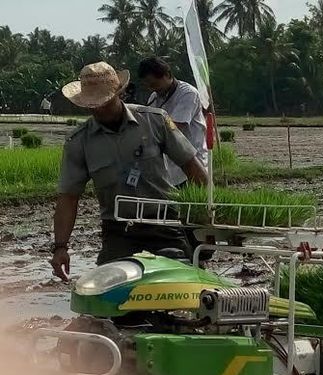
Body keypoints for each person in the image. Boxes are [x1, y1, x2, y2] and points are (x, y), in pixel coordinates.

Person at [50, 62, 208, 280]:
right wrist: (60, 247)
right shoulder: (79, 142)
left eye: (103, 102)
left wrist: (207, 217)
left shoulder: (155, 121)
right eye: (91, 105)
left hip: (163, 223)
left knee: (182, 282)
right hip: (118, 229)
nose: (98, 109)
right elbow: (68, 197)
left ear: (119, 94)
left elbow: (192, 166)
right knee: (112, 290)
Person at [138, 57, 208, 188]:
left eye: (154, 84)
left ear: (167, 75)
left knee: (193, 203)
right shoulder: (154, 97)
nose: (152, 88)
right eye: (148, 85)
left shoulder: (188, 94)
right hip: (170, 165)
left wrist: (156, 128)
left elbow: (175, 127)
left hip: (192, 161)